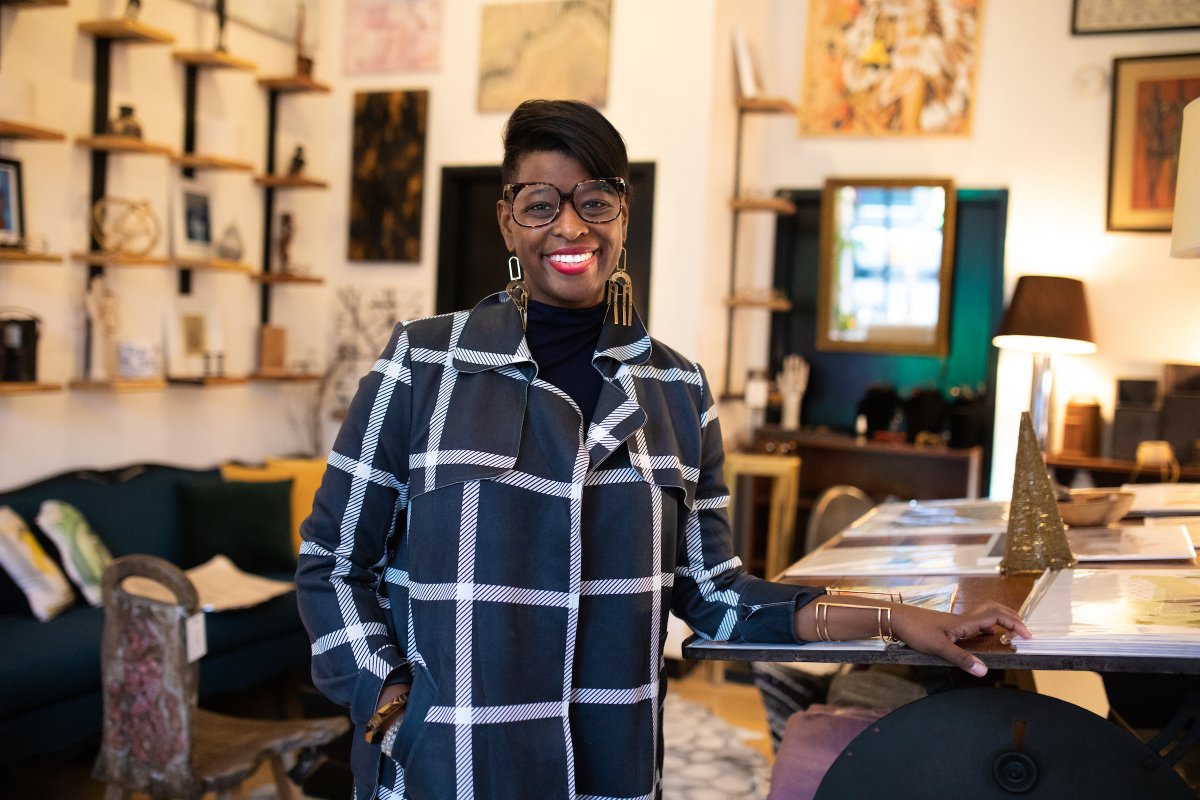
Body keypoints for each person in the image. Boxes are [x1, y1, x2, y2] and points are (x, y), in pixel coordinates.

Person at [295, 99, 1030, 800]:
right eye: (540, 203)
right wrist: (389, 691)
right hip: (453, 770)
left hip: (609, 769)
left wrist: (897, 617)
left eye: (594, 200)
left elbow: (715, 595)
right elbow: (333, 561)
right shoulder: (425, 362)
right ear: (508, 221)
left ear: (622, 213)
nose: (569, 227)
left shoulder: (676, 388)